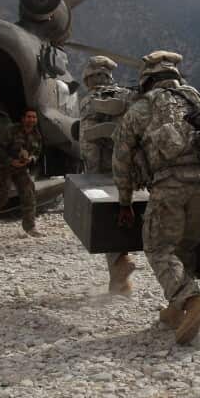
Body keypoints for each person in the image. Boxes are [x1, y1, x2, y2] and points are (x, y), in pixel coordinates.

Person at [112, 51, 200, 345]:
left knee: (158, 248)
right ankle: (174, 310)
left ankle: (193, 303)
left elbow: (122, 157)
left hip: (168, 186)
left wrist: (125, 200)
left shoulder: (142, 108)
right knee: (185, 249)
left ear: (147, 78)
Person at [78, 56, 139, 294]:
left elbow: (87, 141)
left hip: (103, 172)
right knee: (126, 215)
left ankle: (119, 266)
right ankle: (120, 281)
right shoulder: (126, 96)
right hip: (130, 171)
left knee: (105, 219)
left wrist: (90, 175)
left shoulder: (90, 101)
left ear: (91, 79)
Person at [0, 108, 43, 237]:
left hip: (21, 168)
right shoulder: (11, 131)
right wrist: (10, 161)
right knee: (2, 195)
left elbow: (37, 153)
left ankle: (30, 227)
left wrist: (30, 159)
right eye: (29, 117)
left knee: (29, 195)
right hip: (3, 167)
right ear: (23, 119)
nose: (31, 120)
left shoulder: (36, 135)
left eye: (34, 117)